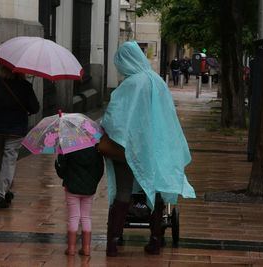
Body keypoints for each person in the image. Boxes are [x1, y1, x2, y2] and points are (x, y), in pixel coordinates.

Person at [97, 41, 196, 257]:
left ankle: (112, 243)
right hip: (155, 148)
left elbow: (114, 118)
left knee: (124, 192)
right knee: (156, 188)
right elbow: (168, 116)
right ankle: (155, 240)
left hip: (126, 149)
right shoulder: (158, 81)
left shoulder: (130, 85)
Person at [0, 64, 40, 208]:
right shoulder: (24, 86)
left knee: (3, 159)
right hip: (15, 130)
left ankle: (5, 190)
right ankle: (0, 193)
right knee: (8, 160)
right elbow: (35, 108)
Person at [55, 146, 104, 256]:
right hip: (89, 188)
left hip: (71, 187)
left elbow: (61, 170)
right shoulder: (96, 150)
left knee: (73, 216)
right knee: (86, 217)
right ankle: (86, 248)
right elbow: (100, 169)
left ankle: (71, 248)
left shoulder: (68, 148)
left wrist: (59, 159)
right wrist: (93, 182)